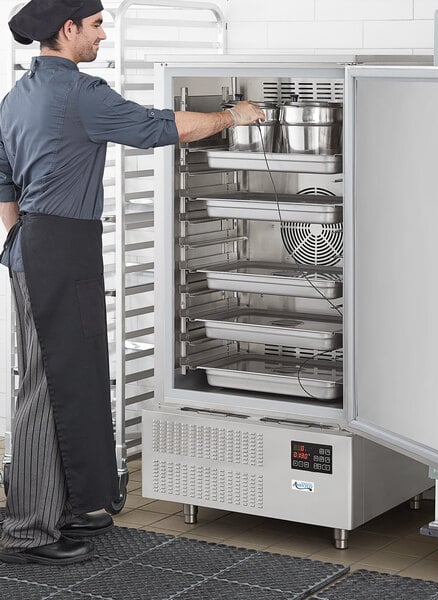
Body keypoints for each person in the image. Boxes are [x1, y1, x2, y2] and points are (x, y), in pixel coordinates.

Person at [0, 0, 264, 565]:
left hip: (35, 245)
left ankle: (70, 506)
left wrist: (29, 237)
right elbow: (156, 128)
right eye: (96, 25)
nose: (103, 33)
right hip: (57, 250)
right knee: (47, 388)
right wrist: (232, 117)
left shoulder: (19, 94)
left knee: (73, 377)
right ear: (67, 30)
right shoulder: (80, 92)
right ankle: (28, 528)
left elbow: (2, 179)